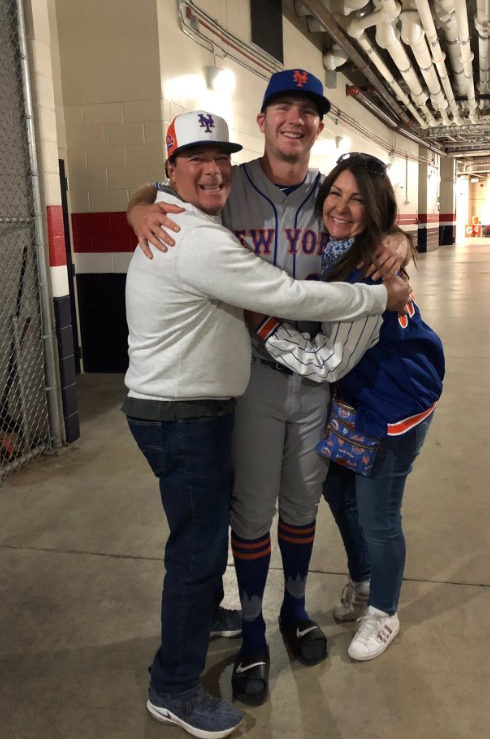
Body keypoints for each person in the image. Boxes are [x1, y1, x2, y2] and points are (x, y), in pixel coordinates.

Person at [127, 69, 410, 706]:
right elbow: (167, 182)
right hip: (250, 378)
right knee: (252, 511)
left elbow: (373, 221)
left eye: (308, 110)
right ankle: (252, 628)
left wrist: (399, 237)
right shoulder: (228, 186)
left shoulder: (327, 193)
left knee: (302, 507)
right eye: (282, 106)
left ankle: (295, 610)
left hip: (318, 383)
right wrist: (137, 202)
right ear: (261, 119)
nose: (295, 119)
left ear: (318, 125)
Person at [247, 152, 445, 662]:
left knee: (380, 516)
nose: (341, 205)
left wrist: (264, 326)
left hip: (394, 407)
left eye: (358, 200)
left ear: (376, 210)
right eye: (335, 192)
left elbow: (328, 362)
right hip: (357, 402)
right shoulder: (338, 248)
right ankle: (361, 581)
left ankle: (384, 611)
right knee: (338, 490)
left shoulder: (372, 274)